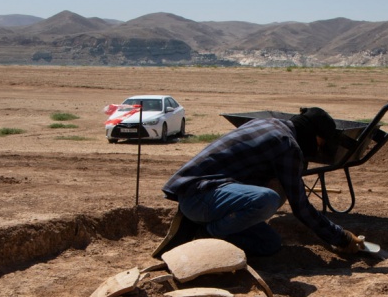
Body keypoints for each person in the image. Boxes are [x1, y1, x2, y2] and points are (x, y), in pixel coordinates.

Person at [153, 107, 364, 258]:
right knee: (267, 198)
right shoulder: (286, 144)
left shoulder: (269, 124)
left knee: (269, 244)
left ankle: (209, 229)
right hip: (199, 196)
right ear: (312, 134)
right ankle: (205, 234)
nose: (319, 149)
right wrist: (341, 237)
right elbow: (301, 207)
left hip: (207, 195)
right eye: (320, 143)